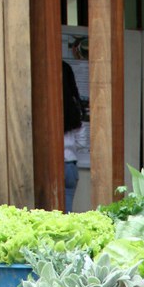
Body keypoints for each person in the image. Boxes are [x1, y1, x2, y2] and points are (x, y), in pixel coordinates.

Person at [62, 60, 83, 213]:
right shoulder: (74, 108)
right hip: (69, 164)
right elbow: (82, 142)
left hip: (49, 167)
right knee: (67, 214)